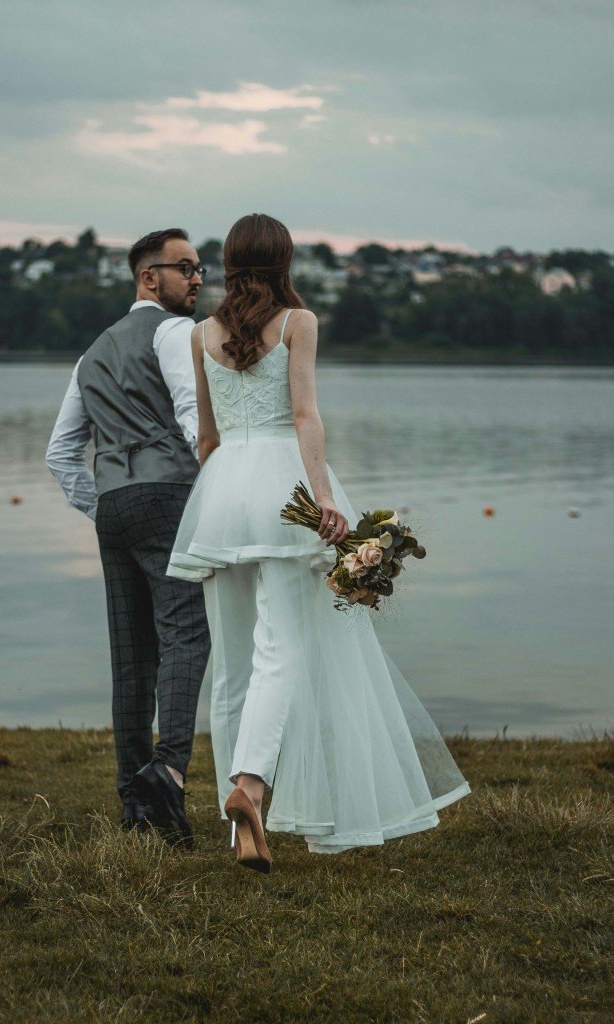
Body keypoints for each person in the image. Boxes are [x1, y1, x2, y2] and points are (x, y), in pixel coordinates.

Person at [167, 214, 469, 872]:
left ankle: (238, 828)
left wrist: (219, 501)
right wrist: (325, 496)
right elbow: (304, 414)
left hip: (222, 493)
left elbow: (207, 438)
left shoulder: (199, 334)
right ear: (284, 260)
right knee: (282, 649)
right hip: (282, 488)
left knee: (231, 668)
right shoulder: (297, 323)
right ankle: (250, 786)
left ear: (227, 263)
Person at [46, 228, 211, 848]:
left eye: (200, 268)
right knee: (187, 633)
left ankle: (134, 805)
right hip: (169, 496)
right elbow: (197, 417)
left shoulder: (90, 354)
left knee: (132, 656)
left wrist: (105, 504)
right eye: (186, 268)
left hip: (114, 506)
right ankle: (167, 771)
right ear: (150, 277)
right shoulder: (172, 333)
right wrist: (212, 497)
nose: (199, 278)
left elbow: (60, 454)